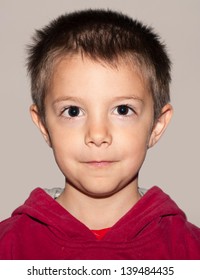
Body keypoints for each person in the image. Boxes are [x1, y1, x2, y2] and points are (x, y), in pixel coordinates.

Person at [0, 9, 200, 260]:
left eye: (122, 110)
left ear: (157, 125)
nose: (97, 134)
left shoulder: (189, 251)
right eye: (73, 111)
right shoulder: (8, 248)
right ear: (43, 125)